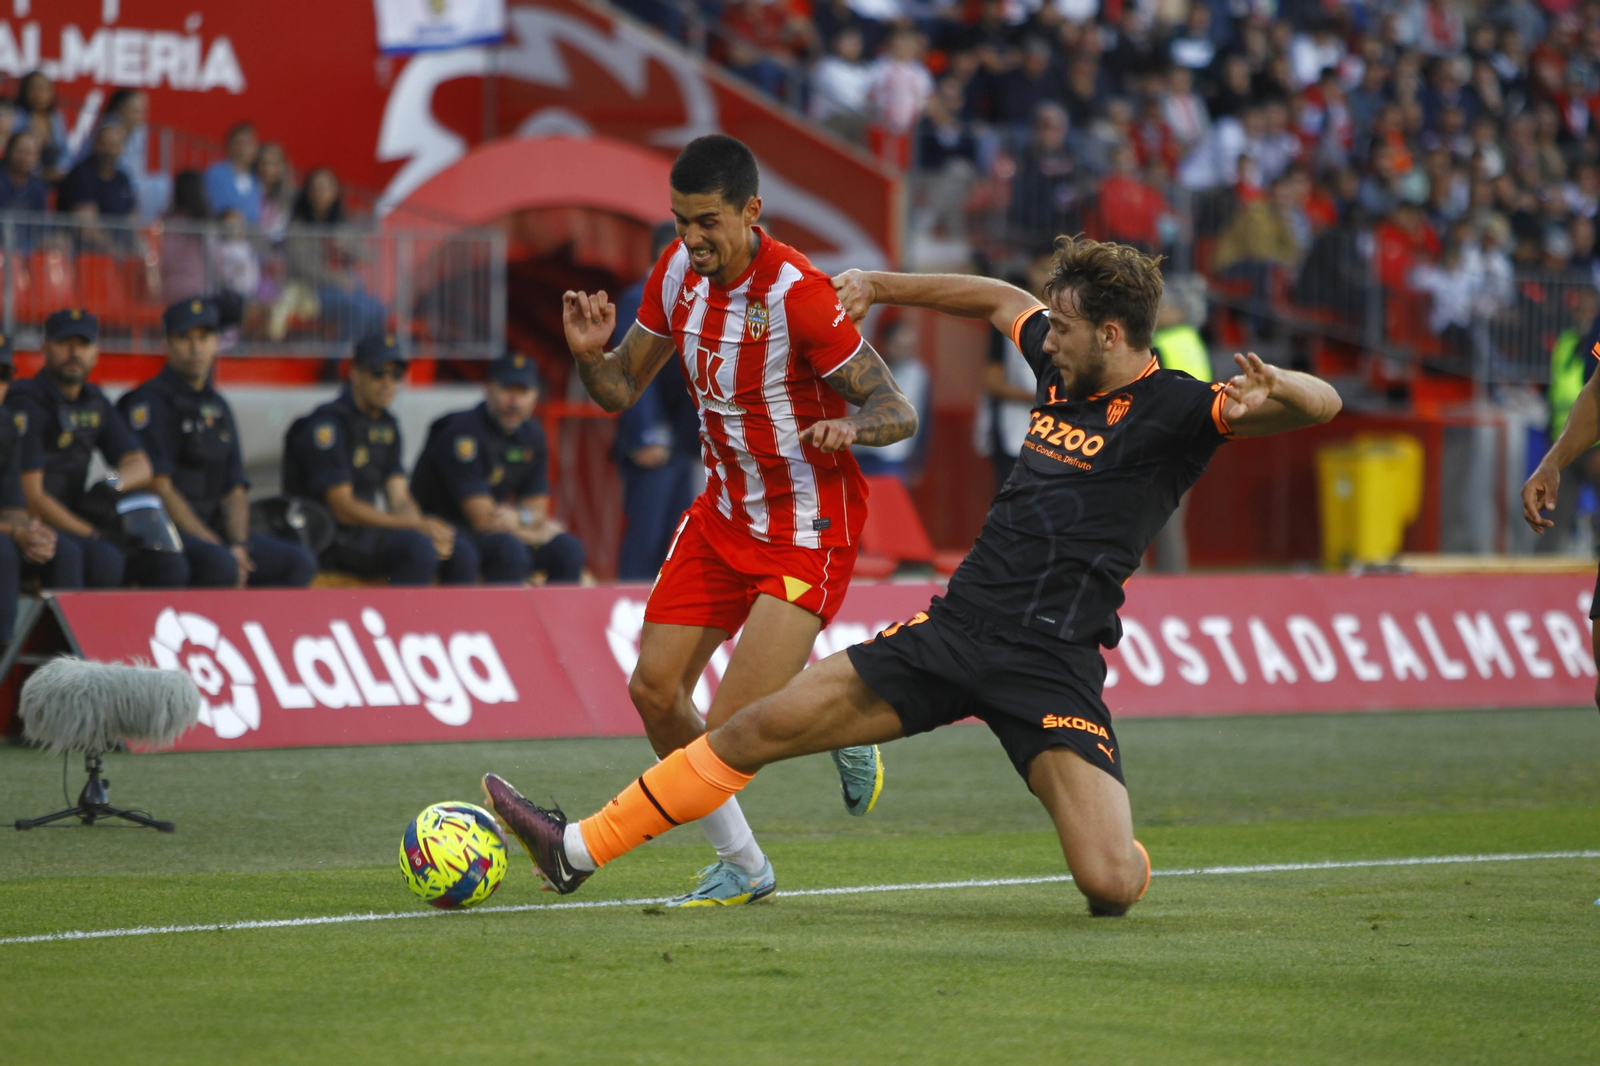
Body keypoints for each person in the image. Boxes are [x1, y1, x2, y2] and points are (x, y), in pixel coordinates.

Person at [483, 238, 1342, 915]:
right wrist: (879, 283)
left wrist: (1287, 384)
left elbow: (1322, 407)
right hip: (953, 634)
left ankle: (1122, 848)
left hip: (1053, 666)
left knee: (1109, 886)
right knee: (744, 732)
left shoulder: (1182, 409)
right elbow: (998, 300)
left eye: (1068, 327)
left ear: (1111, 336)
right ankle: (575, 851)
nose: (1048, 336)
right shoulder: (1059, 356)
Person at [555, 134, 917, 905]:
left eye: (708, 222)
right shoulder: (676, 273)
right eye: (681, 220)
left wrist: (855, 429)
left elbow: (897, 407)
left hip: (806, 529)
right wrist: (591, 357)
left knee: (727, 737)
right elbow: (620, 388)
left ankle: (837, 720)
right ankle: (747, 868)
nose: (692, 239)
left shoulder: (801, 294)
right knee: (654, 693)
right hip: (721, 517)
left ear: (753, 212)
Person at [116, 298, 317, 589]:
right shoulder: (147, 404)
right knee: (219, 564)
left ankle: (258, 632)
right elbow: (160, 487)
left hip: (216, 530)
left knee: (298, 563)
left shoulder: (218, 406)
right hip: (167, 530)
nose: (196, 348)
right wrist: (217, 545)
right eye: (185, 338)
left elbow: (235, 488)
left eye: (204, 337)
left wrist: (239, 544)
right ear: (168, 344)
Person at [282, 334, 468, 586]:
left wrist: (423, 526)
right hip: (326, 537)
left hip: (362, 534)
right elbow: (343, 508)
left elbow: (400, 497)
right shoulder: (328, 425)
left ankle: (452, 625)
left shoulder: (387, 425)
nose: (387, 383)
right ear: (355, 374)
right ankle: (405, 624)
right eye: (378, 374)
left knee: (458, 551)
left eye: (396, 376)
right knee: (416, 549)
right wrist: (414, 526)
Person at [410, 353, 586, 585]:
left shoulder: (532, 435)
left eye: (522, 392)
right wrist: (532, 531)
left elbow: (537, 509)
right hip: (446, 529)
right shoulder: (462, 433)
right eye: (507, 390)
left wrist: (519, 516)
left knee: (568, 549)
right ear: (488, 389)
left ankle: (560, 620)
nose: (514, 402)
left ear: (535, 396)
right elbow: (482, 519)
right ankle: (487, 621)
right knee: (509, 552)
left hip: (498, 532)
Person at [11, 309, 156, 589]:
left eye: (84, 344)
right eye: (66, 343)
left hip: (72, 516)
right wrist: (91, 533)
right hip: (29, 519)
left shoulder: (94, 400)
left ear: (96, 352)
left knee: (150, 553)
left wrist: (110, 484)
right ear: (46, 347)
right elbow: (32, 495)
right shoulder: (28, 401)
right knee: (96, 557)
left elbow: (141, 466)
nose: (75, 352)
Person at [610, 221, 700, 581]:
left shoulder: (687, 299)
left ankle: (663, 619)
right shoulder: (640, 297)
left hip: (682, 441)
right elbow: (632, 370)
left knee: (674, 540)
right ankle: (629, 609)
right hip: (655, 445)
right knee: (646, 537)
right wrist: (647, 436)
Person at [0, 330, 57, 645]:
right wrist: (14, 533)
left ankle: (56, 668)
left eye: (2, 374)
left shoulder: (5, 424)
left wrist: (31, 529)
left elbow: (12, 505)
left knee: (64, 551)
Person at [286, 167, 387, 341]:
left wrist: (348, 247)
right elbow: (304, 267)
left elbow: (367, 255)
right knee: (359, 309)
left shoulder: (343, 224)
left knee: (379, 310)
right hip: (313, 291)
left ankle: (362, 360)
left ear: (335, 192)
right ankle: (337, 359)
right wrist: (338, 280)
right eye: (316, 188)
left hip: (348, 287)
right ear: (308, 193)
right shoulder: (298, 228)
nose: (321, 194)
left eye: (326, 188)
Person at [852, 317, 930, 481]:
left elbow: (924, 420)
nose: (905, 351)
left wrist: (918, 463)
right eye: (900, 345)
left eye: (909, 347)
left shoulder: (917, 375)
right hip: (859, 452)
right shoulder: (865, 367)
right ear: (886, 343)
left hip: (893, 455)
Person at [56, 122, 136, 220]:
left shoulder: (122, 179)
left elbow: (133, 217)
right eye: (104, 144)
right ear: (95, 145)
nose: (109, 151)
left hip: (118, 235)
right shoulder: (81, 175)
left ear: (121, 148)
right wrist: (112, 236)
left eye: (113, 145)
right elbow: (86, 224)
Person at [203, 122, 262, 226]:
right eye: (240, 143)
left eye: (249, 143)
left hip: (253, 237)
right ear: (230, 145)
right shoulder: (215, 174)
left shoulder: (257, 177)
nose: (245, 149)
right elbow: (215, 206)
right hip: (223, 235)